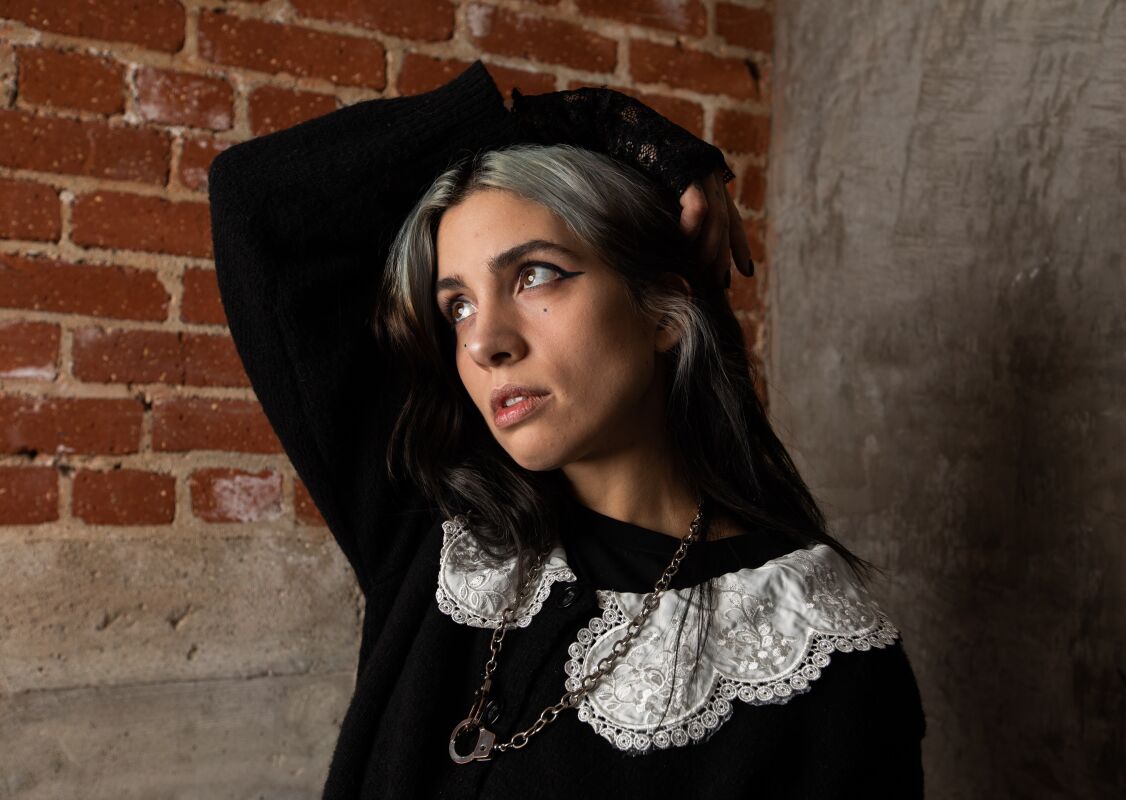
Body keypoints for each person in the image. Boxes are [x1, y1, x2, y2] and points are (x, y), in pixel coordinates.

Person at [207, 60, 925, 799]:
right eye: (458, 306)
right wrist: (600, 124)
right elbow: (257, 202)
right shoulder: (441, 530)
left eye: (535, 275)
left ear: (664, 314)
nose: (486, 342)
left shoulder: (814, 650)